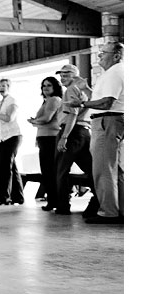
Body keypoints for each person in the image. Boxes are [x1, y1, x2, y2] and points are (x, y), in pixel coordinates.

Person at [67, 43, 124, 223]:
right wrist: (86, 89)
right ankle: (120, 209)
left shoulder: (115, 72)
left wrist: (82, 104)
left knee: (103, 169)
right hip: (113, 120)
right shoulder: (112, 73)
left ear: (115, 56)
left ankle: (108, 212)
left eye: (103, 53)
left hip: (107, 121)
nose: (99, 55)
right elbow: (104, 99)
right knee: (116, 170)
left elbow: (106, 103)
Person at [54, 63, 99, 216]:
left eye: (66, 74)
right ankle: (99, 201)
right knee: (92, 170)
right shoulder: (83, 90)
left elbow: (72, 114)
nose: (62, 78)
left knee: (61, 170)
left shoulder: (71, 89)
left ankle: (62, 207)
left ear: (75, 75)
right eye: (61, 75)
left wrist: (64, 137)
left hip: (72, 132)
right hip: (85, 133)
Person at [27, 77, 63, 211]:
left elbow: (46, 119)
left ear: (55, 87)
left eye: (49, 85)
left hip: (50, 138)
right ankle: (53, 200)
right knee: (48, 171)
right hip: (45, 138)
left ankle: (54, 201)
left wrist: (34, 121)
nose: (45, 88)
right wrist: (36, 121)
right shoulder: (47, 101)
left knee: (50, 171)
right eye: (43, 86)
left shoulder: (54, 100)